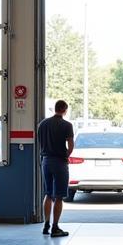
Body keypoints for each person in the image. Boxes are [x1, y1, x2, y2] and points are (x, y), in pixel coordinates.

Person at [37, 99, 74, 237]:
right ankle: (55, 227)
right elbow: (70, 146)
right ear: (65, 110)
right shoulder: (67, 125)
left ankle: (46, 224)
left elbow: (40, 142)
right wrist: (66, 155)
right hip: (59, 162)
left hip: (45, 161)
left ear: (54, 109)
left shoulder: (42, 124)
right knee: (59, 196)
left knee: (48, 194)